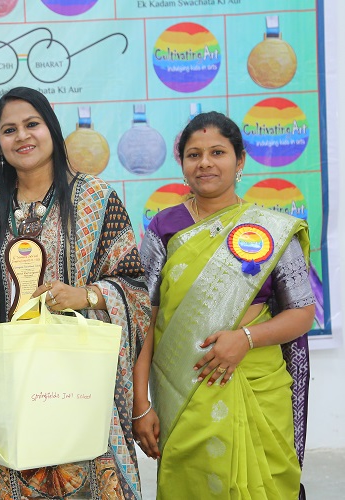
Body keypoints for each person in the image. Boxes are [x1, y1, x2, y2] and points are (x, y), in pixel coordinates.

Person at [0, 87, 151, 499]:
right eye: (9, 130)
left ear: (52, 131)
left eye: (32, 124)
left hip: (83, 386)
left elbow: (135, 289)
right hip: (12, 388)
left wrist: (86, 296)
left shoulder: (97, 198)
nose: (22, 136)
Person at [135, 111, 314, 499]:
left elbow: (302, 313)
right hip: (184, 392)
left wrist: (245, 339)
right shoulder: (164, 229)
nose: (205, 163)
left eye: (217, 152)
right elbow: (143, 320)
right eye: (194, 154)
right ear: (182, 164)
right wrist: (140, 404)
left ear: (240, 160)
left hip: (260, 386)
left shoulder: (271, 228)